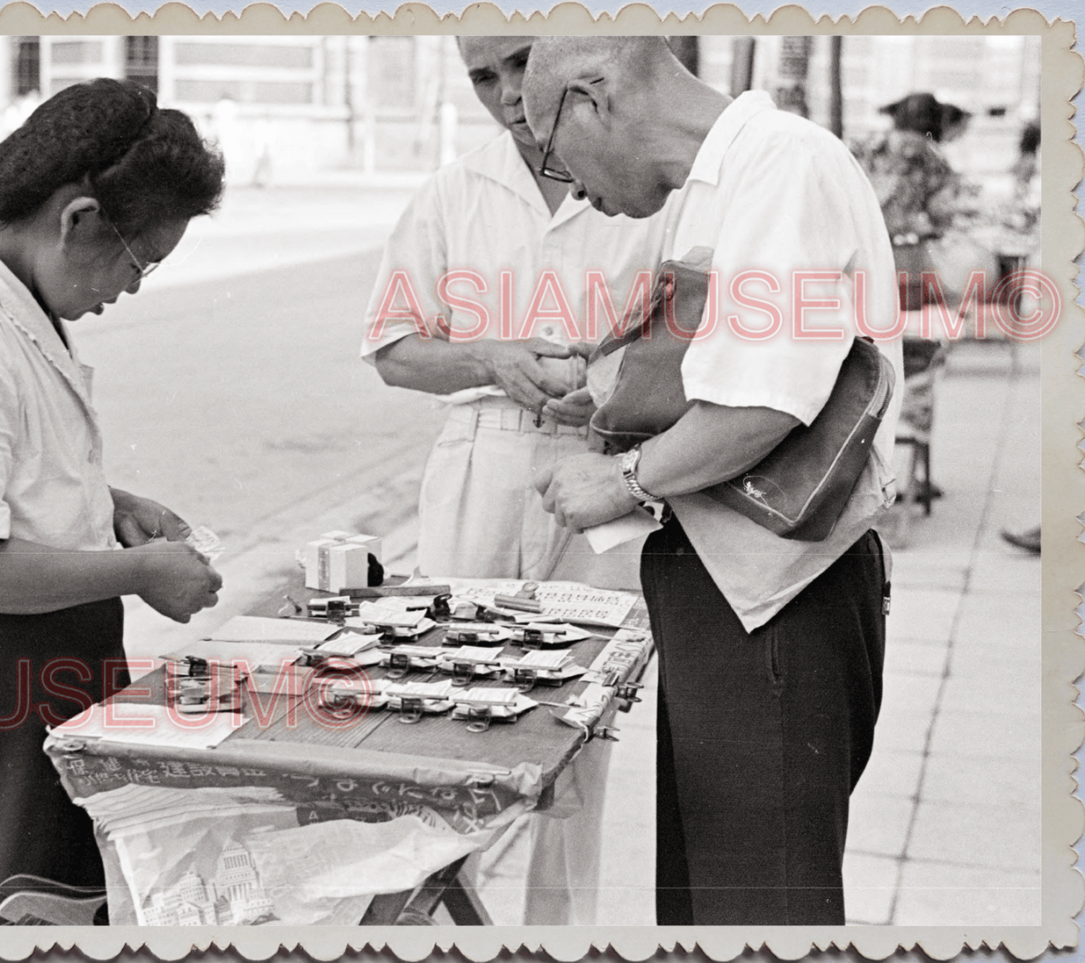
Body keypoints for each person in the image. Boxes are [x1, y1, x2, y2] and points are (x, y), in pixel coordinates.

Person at [524, 36, 903, 925]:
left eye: (551, 150)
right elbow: (741, 376)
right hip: (730, 589)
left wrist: (621, 479)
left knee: (758, 907)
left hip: (779, 600)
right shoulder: (736, 179)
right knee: (708, 901)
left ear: (591, 99)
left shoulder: (783, 166)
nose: (570, 186)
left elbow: (759, 407)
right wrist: (622, 403)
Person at [0, 79, 226, 925]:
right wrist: (137, 570)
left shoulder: (11, 297)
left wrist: (105, 502)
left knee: (51, 905)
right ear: (79, 219)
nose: (132, 288)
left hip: (40, 665)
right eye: (140, 262)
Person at [360, 36, 665, 925]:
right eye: (479, 76)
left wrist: (610, 388)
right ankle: (432, 910)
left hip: (605, 467)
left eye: (517, 63)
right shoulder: (456, 190)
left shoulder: (649, 189)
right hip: (482, 454)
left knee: (581, 715)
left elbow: (687, 332)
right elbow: (391, 349)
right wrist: (488, 354)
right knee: (448, 696)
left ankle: (553, 929)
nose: (503, 93)